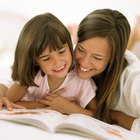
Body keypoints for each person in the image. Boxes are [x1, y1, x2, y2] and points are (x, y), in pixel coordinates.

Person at [1, 9, 140, 134]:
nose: (83, 63)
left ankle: (136, 34)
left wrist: (115, 116)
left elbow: (97, 113)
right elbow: (17, 79)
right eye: (80, 49)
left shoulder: (134, 81)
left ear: (115, 58)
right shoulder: (64, 56)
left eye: (97, 57)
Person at [0, 12, 97, 117]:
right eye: (46, 58)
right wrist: (44, 104)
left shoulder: (81, 82)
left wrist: (70, 108)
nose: (58, 62)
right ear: (35, 61)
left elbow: (98, 114)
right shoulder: (32, 77)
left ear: (69, 46)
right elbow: (8, 102)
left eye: (61, 52)